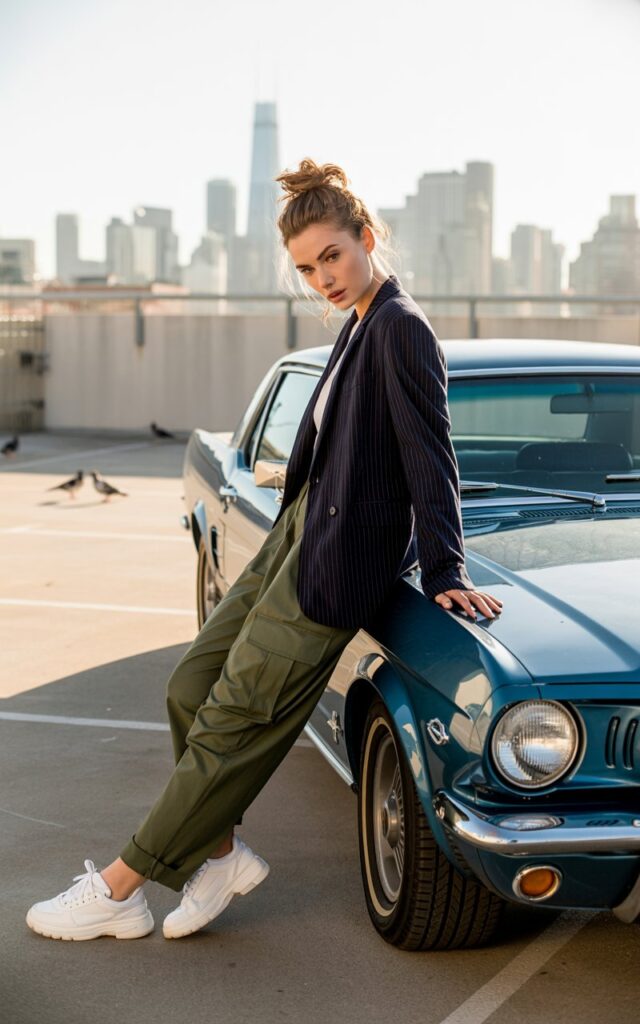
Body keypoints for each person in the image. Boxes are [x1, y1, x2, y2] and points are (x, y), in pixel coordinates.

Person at [26, 158, 503, 942]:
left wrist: (447, 569)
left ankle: (121, 888)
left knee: (229, 721)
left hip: (335, 563)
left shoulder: (401, 327)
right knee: (191, 685)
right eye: (307, 268)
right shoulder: (357, 324)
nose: (323, 278)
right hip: (299, 533)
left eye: (333, 257)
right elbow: (358, 440)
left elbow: (431, 455)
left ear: (368, 237)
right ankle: (219, 857)